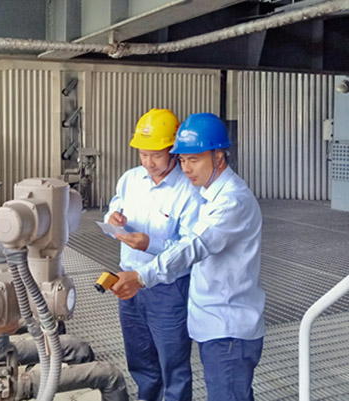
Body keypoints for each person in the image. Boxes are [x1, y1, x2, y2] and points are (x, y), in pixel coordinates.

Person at [113, 112, 266, 401]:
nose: (186, 168)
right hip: (214, 324)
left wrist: (142, 276)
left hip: (229, 329)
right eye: (183, 160)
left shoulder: (231, 201)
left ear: (218, 157)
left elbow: (194, 245)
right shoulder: (210, 194)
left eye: (194, 160)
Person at [105, 108, 202, 401]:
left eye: (156, 156)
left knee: (173, 365)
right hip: (128, 283)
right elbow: (115, 204)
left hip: (168, 289)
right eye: (143, 154)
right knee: (140, 359)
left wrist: (150, 243)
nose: (148, 163)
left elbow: (190, 247)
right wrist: (112, 217)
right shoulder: (130, 179)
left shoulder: (189, 190)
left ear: (173, 151)